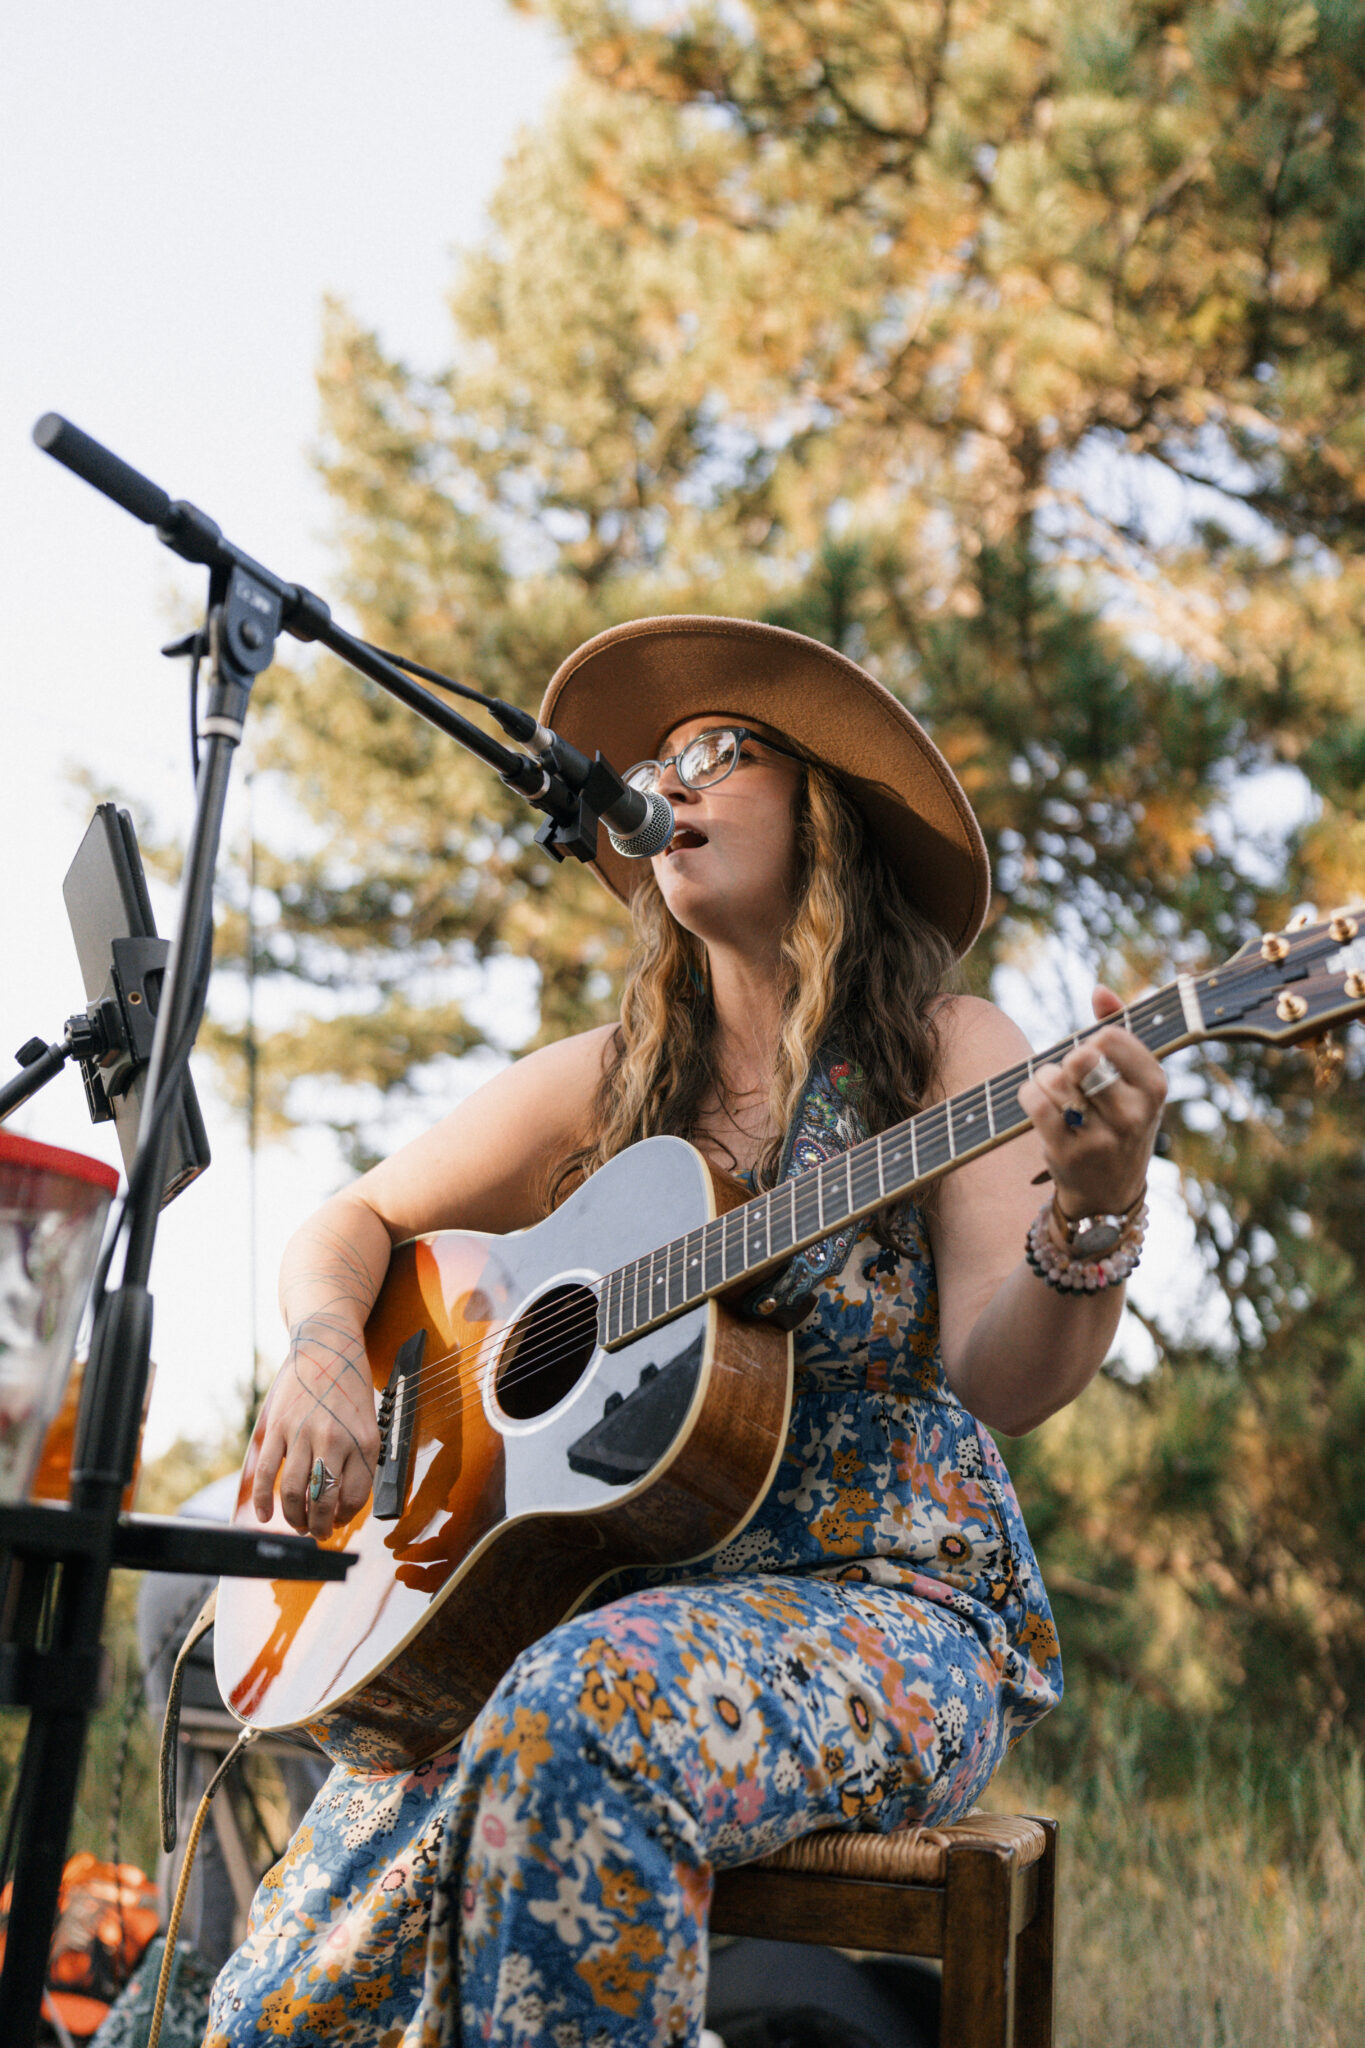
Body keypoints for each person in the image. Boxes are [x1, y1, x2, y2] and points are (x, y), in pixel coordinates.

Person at [205, 616, 1166, 2048]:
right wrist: (328, 1351)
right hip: (571, 1612)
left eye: (722, 751)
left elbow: (1005, 1376)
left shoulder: (948, 1052)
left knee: (575, 1713)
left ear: (822, 811)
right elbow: (348, 1224)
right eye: (656, 761)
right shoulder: (605, 1086)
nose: (671, 778)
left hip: (885, 1614)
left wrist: (1089, 1219)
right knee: (270, 2002)